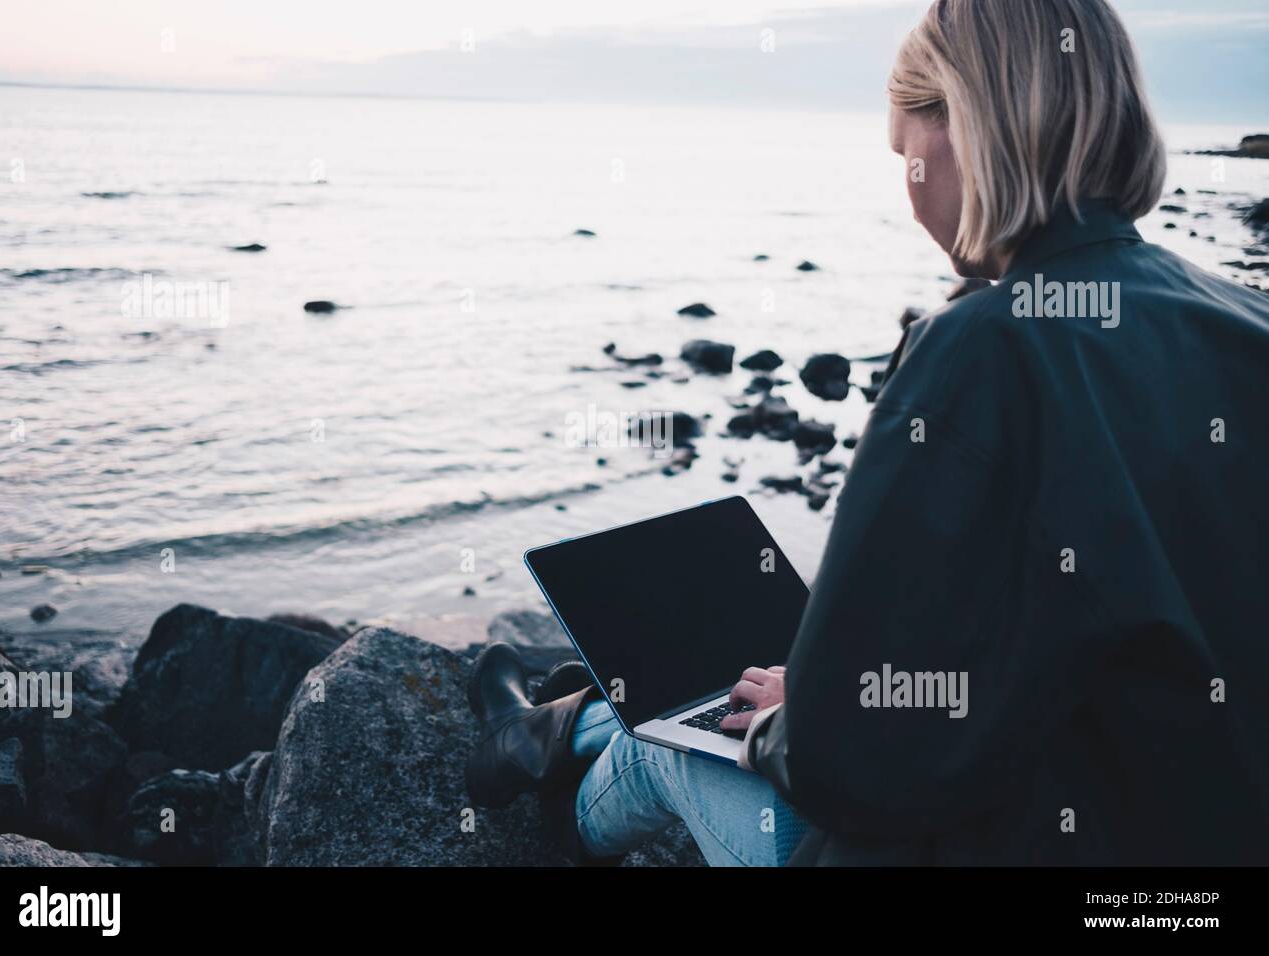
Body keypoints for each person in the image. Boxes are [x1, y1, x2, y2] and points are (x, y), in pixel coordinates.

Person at [465, 0, 1269, 866]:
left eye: (905, 151)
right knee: (757, 692)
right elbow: (1096, 651)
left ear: (965, 122)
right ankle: (554, 727)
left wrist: (794, 724)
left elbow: (850, 770)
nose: (909, 185)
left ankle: (544, 797)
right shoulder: (1244, 321)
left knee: (671, 744)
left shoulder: (981, 345)